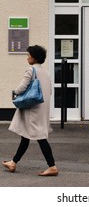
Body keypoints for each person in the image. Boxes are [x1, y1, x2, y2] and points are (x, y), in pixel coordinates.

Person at [2, 45, 58, 176]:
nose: (27, 58)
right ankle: (13, 162)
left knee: (40, 138)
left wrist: (14, 93)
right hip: (42, 109)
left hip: (32, 109)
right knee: (26, 136)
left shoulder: (31, 70)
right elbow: (49, 91)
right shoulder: (46, 72)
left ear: (34, 57)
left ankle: (52, 166)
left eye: (28, 55)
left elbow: (21, 87)